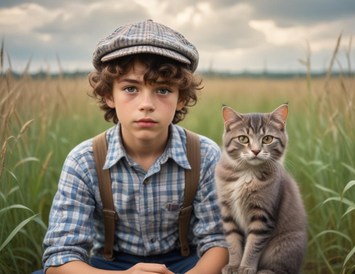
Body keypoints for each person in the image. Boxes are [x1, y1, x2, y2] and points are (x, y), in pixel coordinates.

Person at [34, 19, 228, 274]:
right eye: (130, 88)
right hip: (108, 265)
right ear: (108, 95)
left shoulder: (204, 154)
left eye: (162, 90)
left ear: (181, 98)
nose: (146, 104)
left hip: (188, 263)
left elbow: (221, 242)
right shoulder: (83, 160)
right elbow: (60, 257)